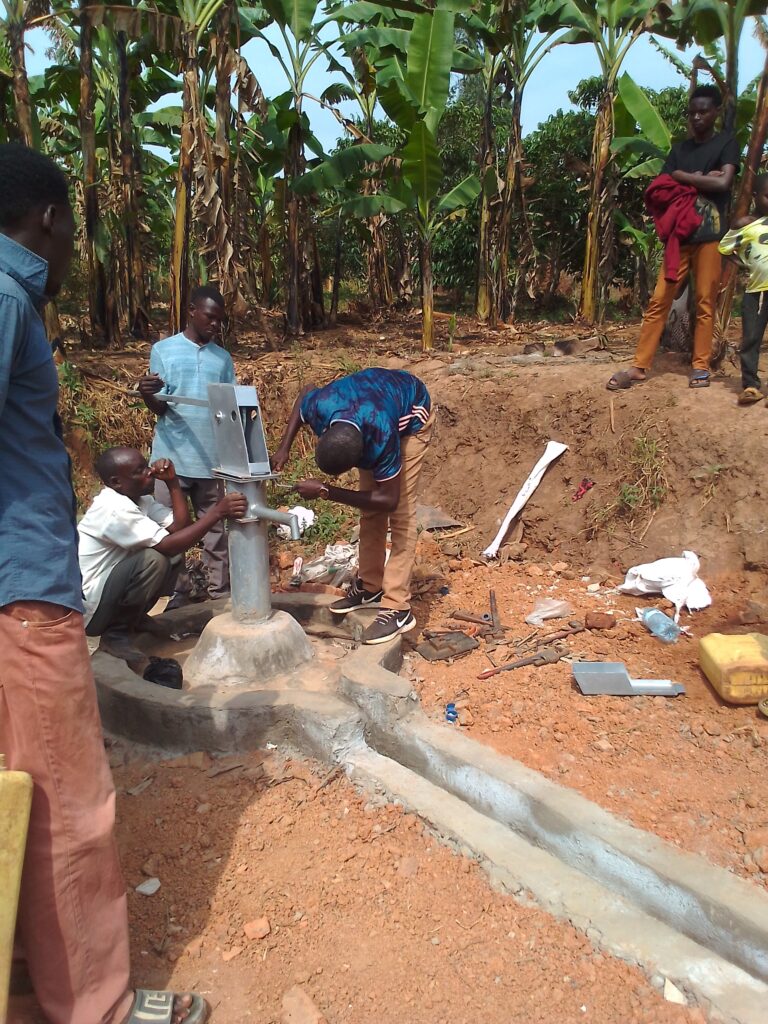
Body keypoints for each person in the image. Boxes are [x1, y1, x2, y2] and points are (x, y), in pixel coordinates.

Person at [0, 143, 207, 1024]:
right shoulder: (9, 295)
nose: (77, 253)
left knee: (13, 789)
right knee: (68, 807)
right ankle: (94, 1007)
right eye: (73, 232)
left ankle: (21, 970)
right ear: (47, 219)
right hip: (25, 594)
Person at [272, 368, 434, 645]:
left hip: (411, 416)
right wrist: (284, 448)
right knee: (370, 512)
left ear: (362, 453)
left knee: (400, 516)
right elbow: (304, 393)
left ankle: (397, 608)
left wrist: (327, 491)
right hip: (369, 402)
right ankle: (371, 587)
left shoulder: (383, 436)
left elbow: (389, 499)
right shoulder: (322, 405)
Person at [608, 85, 740, 391]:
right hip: (679, 239)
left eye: (703, 111)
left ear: (716, 112)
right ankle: (640, 366)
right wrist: (703, 179)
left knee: (706, 301)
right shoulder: (680, 150)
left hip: (710, 235)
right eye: (692, 112)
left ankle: (700, 366)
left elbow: (725, 182)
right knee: (659, 299)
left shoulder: (726, 143)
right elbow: (664, 186)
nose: (696, 117)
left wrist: (685, 177)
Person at [78, 447, 247, 642]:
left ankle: (136, 619)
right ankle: (117, 634)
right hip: (92, 610)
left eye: (146, 466)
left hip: (107, 594)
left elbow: (180, 527)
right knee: (154, 559)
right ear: (116, 482)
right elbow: (168, 545)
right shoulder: (114, 509)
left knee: (170, 556)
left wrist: (172, 483)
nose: (149, 472)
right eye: (138, 471)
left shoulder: (140, 500)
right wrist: (217, 513)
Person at [138, 285, 236, 606]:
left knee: (215, 532)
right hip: (171, 462)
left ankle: (218, 593)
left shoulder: (222, 359)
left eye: (220, 320)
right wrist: (148, 393)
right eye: (210, 317)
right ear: (192, 311)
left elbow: (228, 408)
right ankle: (177, 592)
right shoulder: (164, 350)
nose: (215, 325)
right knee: (168, 529)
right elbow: (161, 407)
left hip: (210, 459)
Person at [718, 174, 768, 405]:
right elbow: (725, 248)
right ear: (756, 196)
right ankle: (750, 385)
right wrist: (746, 265)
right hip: (757, 291)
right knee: (751, 338)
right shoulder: (745, 224)